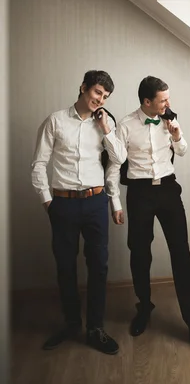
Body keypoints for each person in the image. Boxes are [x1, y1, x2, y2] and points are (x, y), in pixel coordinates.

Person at [106, 76, 190, 356]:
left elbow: (183, 150)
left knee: (182, 254)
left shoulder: (170, 118)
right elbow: (115, 162)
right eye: (163, 99)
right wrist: (115, 201)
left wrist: (177, 134)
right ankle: (144, 308)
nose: (169, 103)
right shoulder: (126, 124)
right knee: (139, 253)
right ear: (146, 101)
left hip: (168, 190)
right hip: (139, 193)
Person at [31, 70, 127, 354]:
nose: (100, 99)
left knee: (99, 265)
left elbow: (120, 159)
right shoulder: (56, 120)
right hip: (63, 204)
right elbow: (38, 163)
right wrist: (49, 202)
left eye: (106, 96)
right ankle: (71, 322)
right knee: (65, 266)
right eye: (97, 92)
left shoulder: (105, 123)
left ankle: (95, 328)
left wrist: (107, 130)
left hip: (96, 202)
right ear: (84, 87)